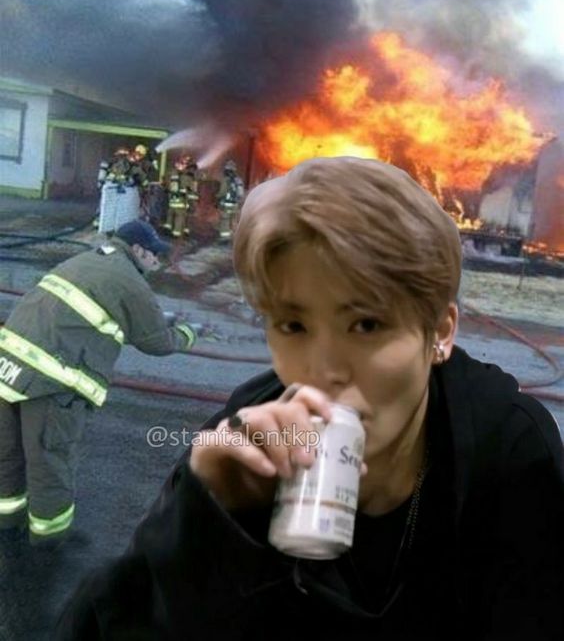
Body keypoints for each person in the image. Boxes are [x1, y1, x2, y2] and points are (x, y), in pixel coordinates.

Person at [56, 158, 564, 639]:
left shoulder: (507, 448)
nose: (322, 372)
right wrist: (205, 521)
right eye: (293, 325)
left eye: (367, 324)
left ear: (441, 332)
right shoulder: (244, 435)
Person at [0, 219, 201, 547]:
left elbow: (95, 307)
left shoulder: (87, 260)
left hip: (7, 369)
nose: (158, 260)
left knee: (8, 453)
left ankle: (7, 522)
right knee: (50, 461)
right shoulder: (130, 282)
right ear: (137, 250)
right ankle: (49, 542)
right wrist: (189, 333)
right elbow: (158, 342)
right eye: (154, 253)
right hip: (50, 383)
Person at [216, 159, 245, 241]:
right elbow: (241, 194)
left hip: (226, 204)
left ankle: (224, 238)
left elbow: (222, 192)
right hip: (235, 204)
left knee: (225, 220)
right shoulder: (238, 180)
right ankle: (234, 238)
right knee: (234, 221)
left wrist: (216, 197)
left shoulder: (226, 180)